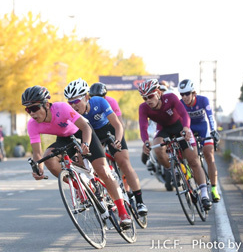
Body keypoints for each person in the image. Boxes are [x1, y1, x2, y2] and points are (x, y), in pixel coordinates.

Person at [22, 85, 132, 228]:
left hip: (83, 132)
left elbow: (86, 127)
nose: (31, 113)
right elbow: (37, 153)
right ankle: (81, 188)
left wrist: (85, 144)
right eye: (27, 109)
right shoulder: (32, 125)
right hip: (65, 138)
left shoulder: (61, 108)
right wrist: (39, 169)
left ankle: (123, 212)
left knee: (103, 170)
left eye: (35, 108)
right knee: (48, 157)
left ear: (47, 105)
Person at [65, 78, 148, 216]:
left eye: (75, 101)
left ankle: (139, 201)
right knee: (92, 165)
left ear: (86, 97)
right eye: (70, 102)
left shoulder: (100, 102)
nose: (72, 105)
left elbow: (117, 125)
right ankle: (103, 195)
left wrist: (118, 140)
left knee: (123, 162)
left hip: (108, 130)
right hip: (93, 135)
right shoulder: (73, 112)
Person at [138, 78, 212, 210]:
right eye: (144, 98)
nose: (148, 100)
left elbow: (184, 114)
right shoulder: (143, 108)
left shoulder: (171, 98)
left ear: (159, 93)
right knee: (158, 149)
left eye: (150, 96)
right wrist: (145, 142)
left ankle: (205, 195)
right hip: (164, 129)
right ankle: (177, 170)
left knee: (194, 161)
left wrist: (186, 128)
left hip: (180, 127)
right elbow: (143, 127)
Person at [178, 79, 221, 202]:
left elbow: (210, 117)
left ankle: (213, 189)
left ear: (193, 93)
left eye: (187, 93)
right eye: (182, 94)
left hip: (203, 127)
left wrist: (213, 131)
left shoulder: (203, 100)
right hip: (190, 129)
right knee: (192, 158)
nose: (185, 97)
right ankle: (196, 179)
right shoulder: (180, 104)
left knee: (209, 155)